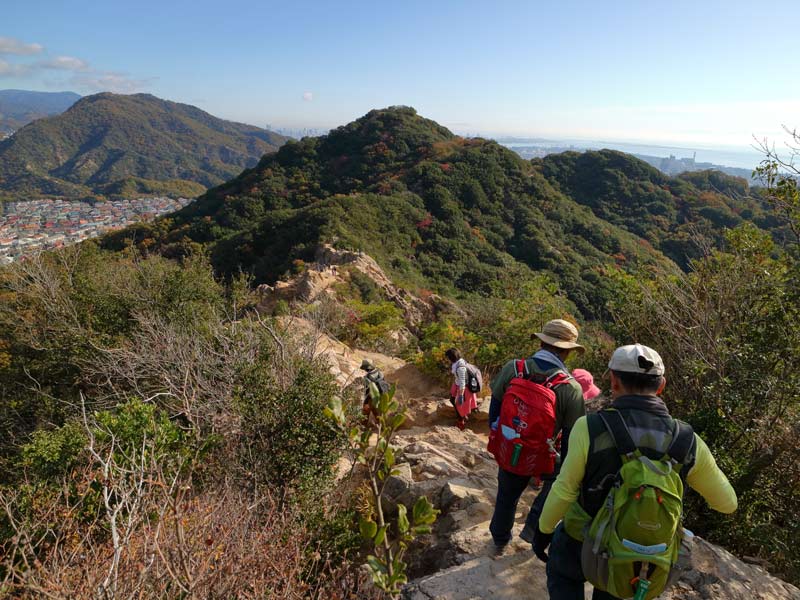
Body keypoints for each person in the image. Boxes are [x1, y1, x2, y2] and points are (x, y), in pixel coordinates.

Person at [532, 344, 738, 600]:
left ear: (613, 381)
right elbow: (727, 503)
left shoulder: (590, 427)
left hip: (579, 539)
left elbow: (564, 489)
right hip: (634, 550)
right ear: (661, 386)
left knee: (563, 574)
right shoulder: (688, 441)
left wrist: (543, 531)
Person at [487, 319, 586, 555]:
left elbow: (495, 409)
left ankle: (500, 538)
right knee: (554, 486)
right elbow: (573, 435)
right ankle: (532, 530)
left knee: (507, 496)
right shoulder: (570, 388)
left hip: (513, 445)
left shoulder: (514, 368)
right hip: (547, 454)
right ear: (568, 352)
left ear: (541, 341)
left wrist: (504, 437)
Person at [445, 348, 478, 430]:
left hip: (463, 387)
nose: (448, 359)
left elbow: (463, 382)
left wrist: (461, 395)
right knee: (452, 400)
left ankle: (461, 420)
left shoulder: (460, 367)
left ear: (452, 357)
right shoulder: (457, 362)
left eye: (448, 357)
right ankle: (462, 416)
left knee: (459, 404)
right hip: (457, 384)